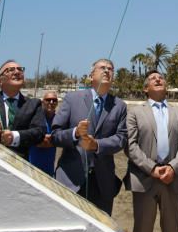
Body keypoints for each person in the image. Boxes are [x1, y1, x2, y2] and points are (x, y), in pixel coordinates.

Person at [125, 71, 178, 232]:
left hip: (172, 180)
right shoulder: (135, 113)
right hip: (145, 180)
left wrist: (173, 167)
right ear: (146, 88)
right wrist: (152, 169)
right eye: (153, 78)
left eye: (161, 77)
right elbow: (130, 146)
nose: (158, 79)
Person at [51, 58, 127, 214]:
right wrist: (75, 133)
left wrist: (97, 145)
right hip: (70, 179)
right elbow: (55, 135)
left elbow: (121, 138)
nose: (107, 70)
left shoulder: (119, 106)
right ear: (91, 75)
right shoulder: (72, 99)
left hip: (102, 182)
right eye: (102, 68)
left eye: (110, 69)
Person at [29, 89, 59, 176]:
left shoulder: (58, 120)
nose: (51, 102)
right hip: (33, 165)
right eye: (48, 100)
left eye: (54, 100)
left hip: (49, 168)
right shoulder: (35, 118)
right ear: (43, 102)